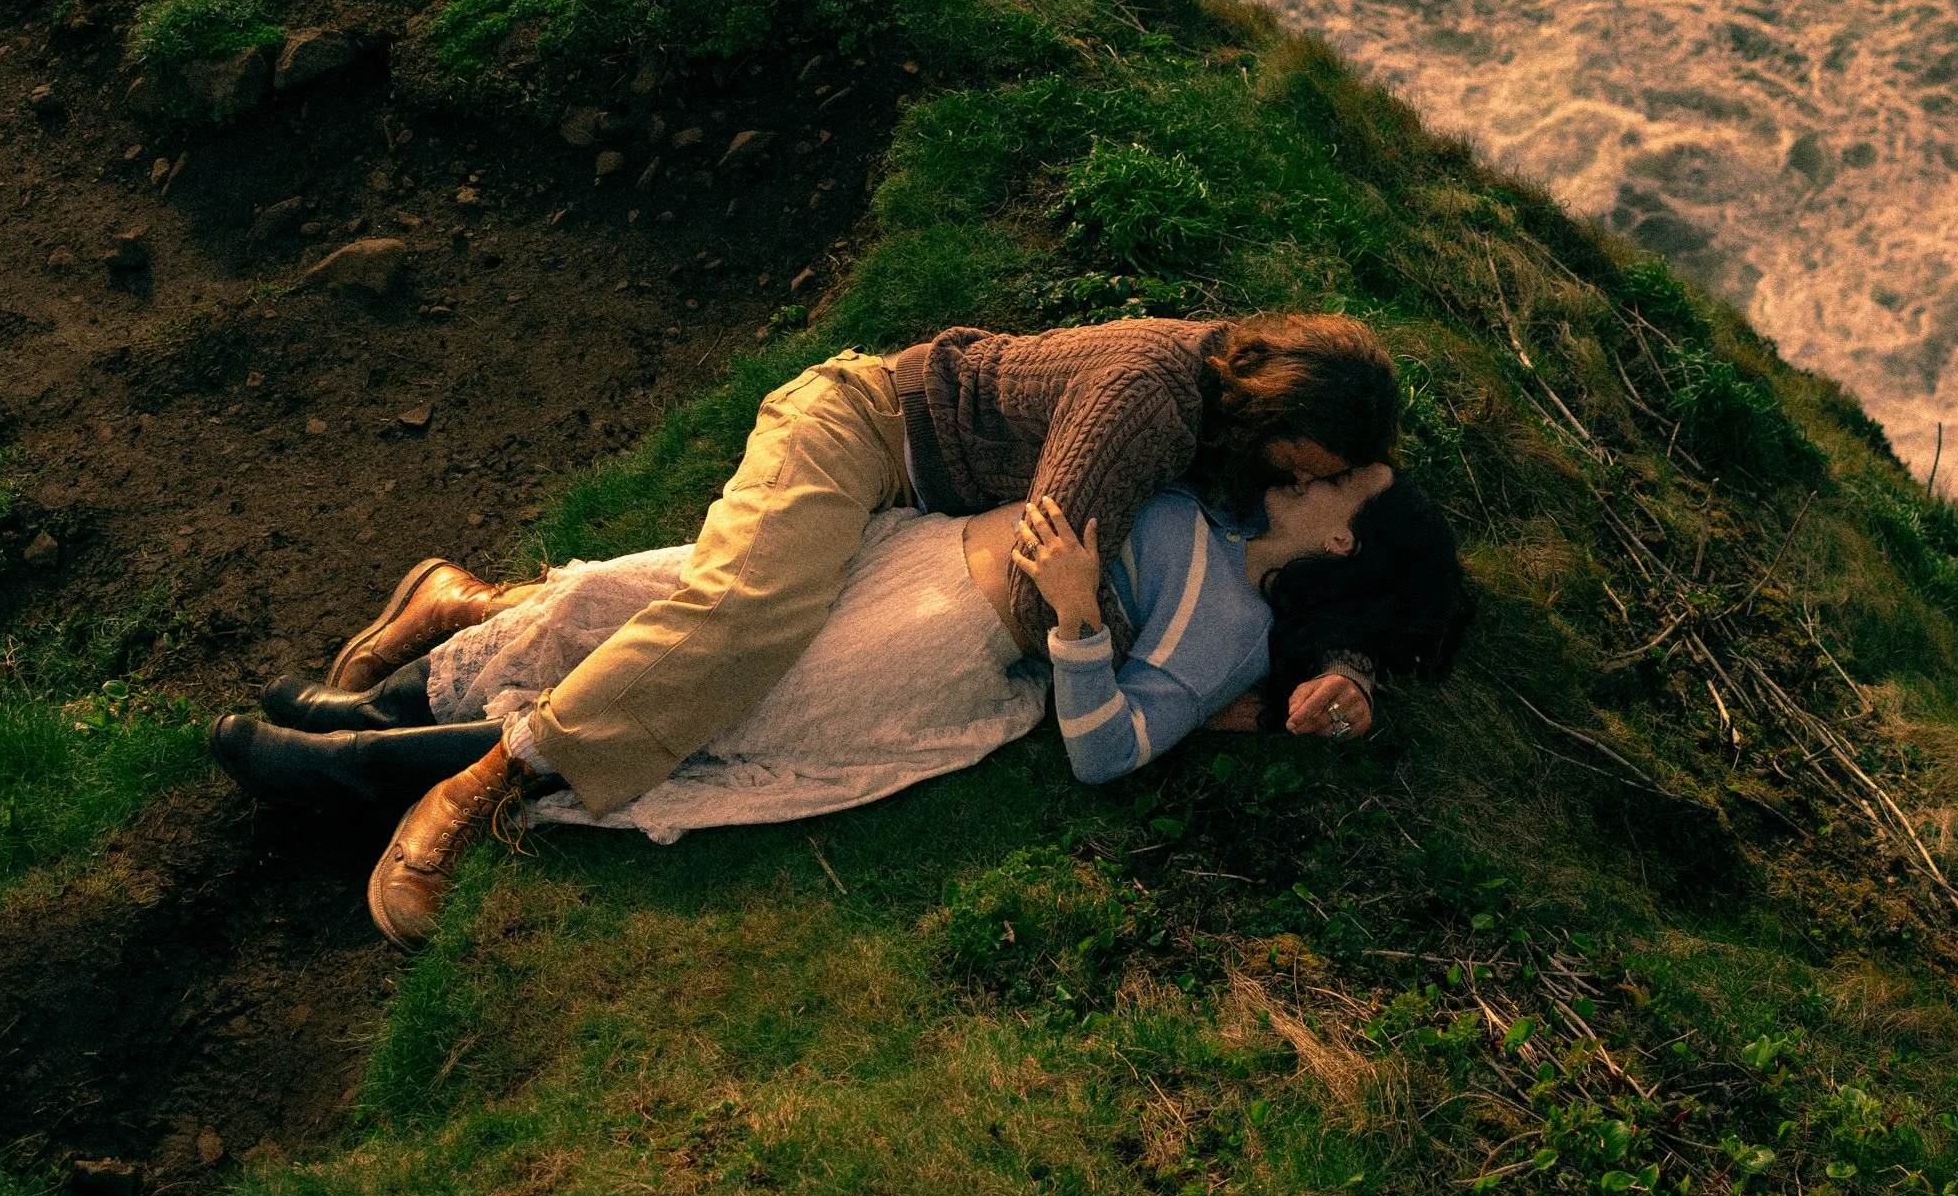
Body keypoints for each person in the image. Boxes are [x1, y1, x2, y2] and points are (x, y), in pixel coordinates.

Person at [289, 313, 1401, 940]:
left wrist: (1237, 673)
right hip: (864, 434)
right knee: (741, 620)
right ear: (1285, 425)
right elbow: (1038, 578)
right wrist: (1149, 665)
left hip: (922, 505)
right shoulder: (1153, 401)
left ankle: (465, 605)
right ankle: (483, 785)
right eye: (1329, 464)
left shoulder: (1234, 426)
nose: (1330, 481)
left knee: (702, 613)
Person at [210, 462, 1469, 931]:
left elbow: (1104, 749)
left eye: (1346, 484)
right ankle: (365, 719)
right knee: (656, 610)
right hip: (916, 547)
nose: (1319, 467)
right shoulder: (1213, 481)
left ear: (1347, 543)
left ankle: (349, 770)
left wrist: (1082, 617)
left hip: (943, 652)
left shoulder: (1239, 635)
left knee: (705, 707)